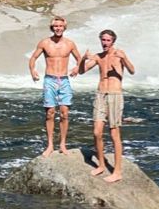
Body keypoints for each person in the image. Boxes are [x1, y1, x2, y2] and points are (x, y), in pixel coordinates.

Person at [79, 29, 135, 184]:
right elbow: (81, 71)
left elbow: (132, 70)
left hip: (115, 95)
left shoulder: (119, 54)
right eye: (103, 40)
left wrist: (125, 58)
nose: (105, 43)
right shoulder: (98, 56)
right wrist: (83, 58)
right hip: (100, 95)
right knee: (97, 132)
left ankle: (117, 172)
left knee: (114, 133)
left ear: (113, 41)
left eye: (108, 40)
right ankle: (102, 165)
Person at [28, 17, 82, 157]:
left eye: (61, 26)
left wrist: (77, 68)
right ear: (52, 28)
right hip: (50, 80)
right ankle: (50, 145)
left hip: (64, 80)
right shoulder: (45, 43)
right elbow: (33, 58)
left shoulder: (69, 44)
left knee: (64, 113)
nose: (58, 28)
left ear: (65, 27)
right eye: (56, 26)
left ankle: (63, 144)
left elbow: (79, 59)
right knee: (50, 113)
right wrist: (33, 70)